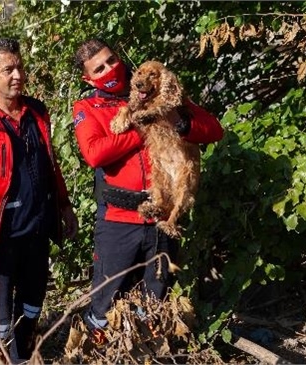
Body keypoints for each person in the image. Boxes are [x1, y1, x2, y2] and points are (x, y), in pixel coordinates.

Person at [72, 39, 224, 345]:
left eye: (111, 60)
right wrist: (146, 125)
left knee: (154, 299)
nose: (109, 70)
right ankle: (98, 353)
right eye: (99, 69)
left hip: (161, 218)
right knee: (105, 302)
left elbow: (214, 129)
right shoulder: (88, 107)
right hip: (118, 220)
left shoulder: (160, 93)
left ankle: (146, 353)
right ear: (89, 79)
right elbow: (95, 153)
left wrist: (178, 123)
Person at [0, 38, 79, 362]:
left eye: (20, 67)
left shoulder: (37, 112)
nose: (17, 75)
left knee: (32, 305)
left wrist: (64, 207)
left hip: (36, 232)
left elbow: (51, 165)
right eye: (8, 69)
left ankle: (24, 356)